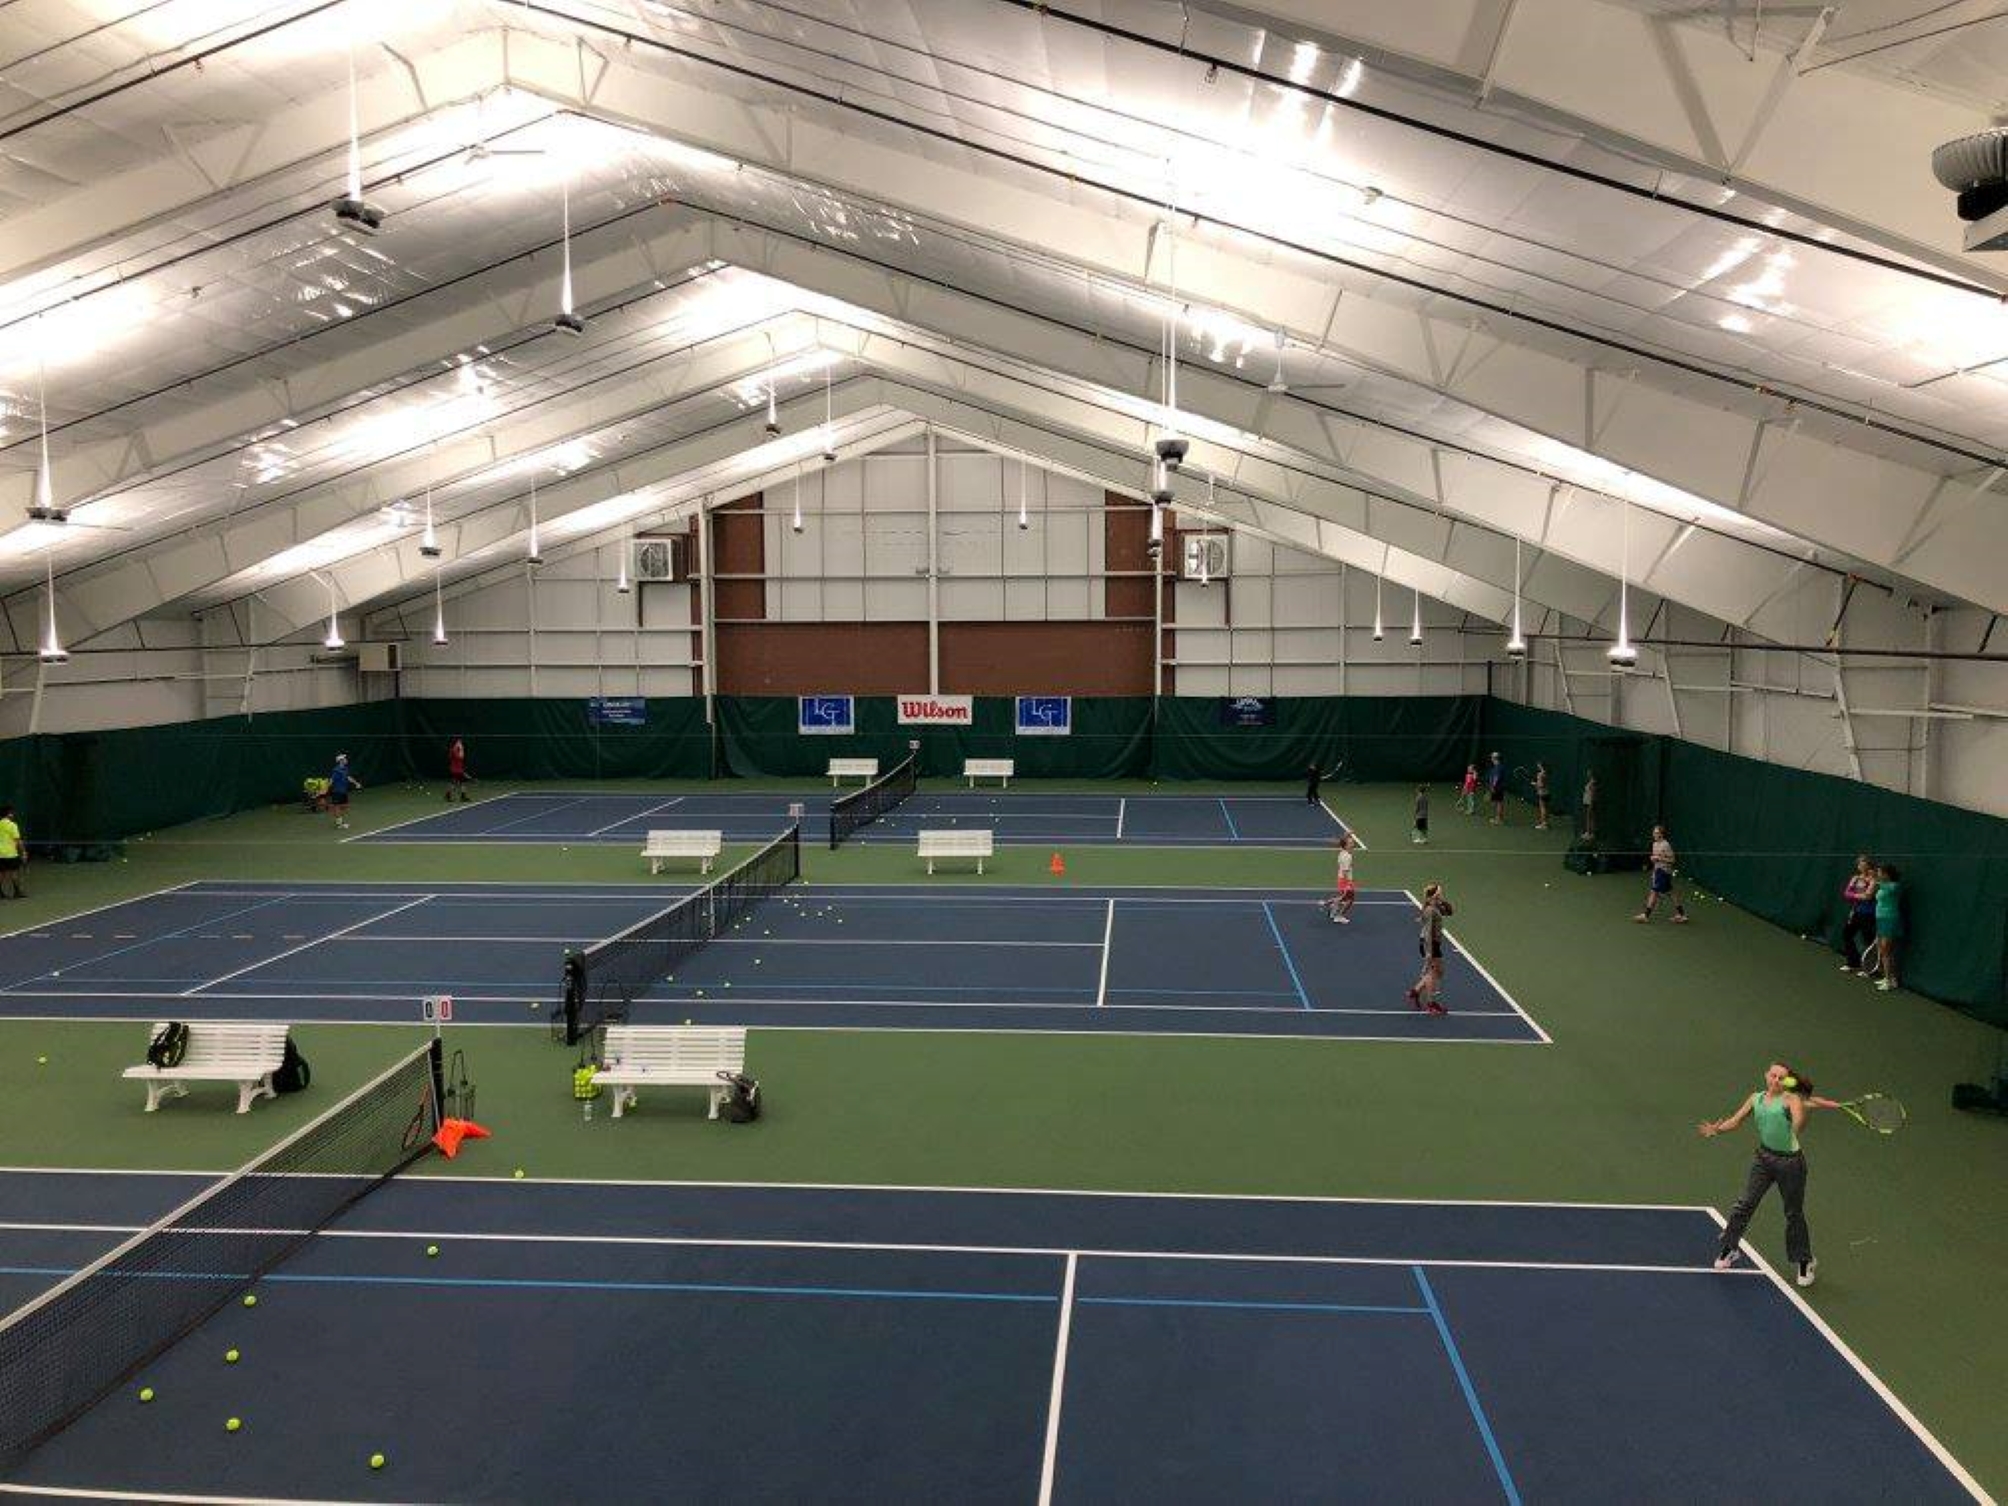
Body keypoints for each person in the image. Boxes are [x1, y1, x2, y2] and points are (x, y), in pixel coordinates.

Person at [1699, 1062, 1839, 1287]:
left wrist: (1801, 1114)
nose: (1776, 1080)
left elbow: (1798, 1126)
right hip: (1763, 1159)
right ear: (1766, 1075)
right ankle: (1730, 1248)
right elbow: (1736, 1120)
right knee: (1744, 1204)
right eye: (1773, 1075)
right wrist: (1717, 1129)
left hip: (1791, 1164)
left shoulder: (1791, 1100)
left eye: (1781, 1078)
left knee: (1793, 1213)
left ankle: (1805, 1261)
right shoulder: (1755, 1098)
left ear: (1787, 1082)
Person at [1406, 882, 1452, 1015]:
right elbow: (1428, 932)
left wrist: (1442, 902)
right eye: (1440, 893)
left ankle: (1415, 992)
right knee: (1435, 972)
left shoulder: (1435, 906)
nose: (1441, 894)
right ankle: (1431, 1004)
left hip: (1433, 943)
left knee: (1437, 971)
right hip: (1430, 943)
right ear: (1435, 894)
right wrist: (1429, 952)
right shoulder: (1430, 910)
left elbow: (1449, 912)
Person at [1635, 824, 1688, 923]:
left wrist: (1659, 858)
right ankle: (1682, 915)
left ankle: (1646, 915)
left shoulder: (1666, 845)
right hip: (1658, 871)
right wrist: (1654, 870)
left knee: (1654, 892)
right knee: (1671, 893)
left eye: (1656, 833)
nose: (1654, 834)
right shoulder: (1654, 844)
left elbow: (1672, 860)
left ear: (1661, 834)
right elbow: (1656, 860)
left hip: (1664, 872)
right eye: (1653, 832)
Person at [1838, 855, 1877, 974]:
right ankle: (1853, 963)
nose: (1860, 866)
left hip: (1869, 913)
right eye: (1859, 864)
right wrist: (1859, 897)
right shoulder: (1855, 878)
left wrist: (1855, 895)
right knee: (1847, 934)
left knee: (1868, 940)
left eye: (1863, 863)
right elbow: (1846, 893)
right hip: (1856, 911)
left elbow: (1868, 897)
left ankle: (1870, 969)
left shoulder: (1874, 879)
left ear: (1869, 865)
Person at [1873, 863, 1903, 992]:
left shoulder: (1894, 886)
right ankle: (1891, 978)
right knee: (1884, 951)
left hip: (1890, 920)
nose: (1878, 874)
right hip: (1880, 919)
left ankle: (1888, 981)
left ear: (1887, 874)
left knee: (1886, 951)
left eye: (1880, 872)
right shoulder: (1882, 885)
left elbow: (1883, 886)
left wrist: (1874, 879)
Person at [1320, 833, 1358, 924]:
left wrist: (1346, 835)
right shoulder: (1347, 857)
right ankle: (1338, 916)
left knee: (1344, 898)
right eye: (1351, 843)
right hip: (1345, 881)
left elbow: (1342, 842)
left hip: (1341, 879)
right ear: (1346, 845)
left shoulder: (1342, 851)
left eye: (1352, 842)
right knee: (1349, 900)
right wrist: (1349, 884)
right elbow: (1345, 872)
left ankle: (1330, 905)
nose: (1353, 844)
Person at [326, 753, 362, 833]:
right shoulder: (336, 770)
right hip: (337, 791)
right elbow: (332, 780)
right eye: (345, 759)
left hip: (344, 791)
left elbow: (348, 777)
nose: (346, 760)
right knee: (337, 807)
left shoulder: (345, 768)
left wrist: (356, 783)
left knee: (345, 807)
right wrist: (325, 788)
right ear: (341, 761)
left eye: (345, 758)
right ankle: (339, 823)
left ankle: (338, 819)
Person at [0, 805, 28, 900]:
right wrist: (23, 852)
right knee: (14, 872)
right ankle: (17, 892)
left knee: (1, 873)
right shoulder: (12, 825)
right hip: (11, 854)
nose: (13, 814)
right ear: (9, 814)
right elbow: (18, 840)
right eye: (12, 812)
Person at [1486, 751, 1506, 825]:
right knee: (1498, 803)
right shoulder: (1496, 766)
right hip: (1497, 788)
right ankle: (1497, 818)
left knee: (1499, 803)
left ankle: (1498, 819)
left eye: (1492, 757)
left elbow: (1496, 778)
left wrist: (1493, 787)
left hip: (1497, 788)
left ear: (1495, 758)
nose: (1491, 758)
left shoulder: (1498, 767)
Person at [1580, 772, 1597, 843]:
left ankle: (1589, 833)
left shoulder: (1592, 783)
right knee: (1590, 818)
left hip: (1590, 803)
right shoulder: (1590, 782)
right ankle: (1590, 833)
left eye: (1589, 772)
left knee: (1589, 818)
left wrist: (1591, 804)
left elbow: (1593, 794)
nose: (1587, 774)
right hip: (1587, 802)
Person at [1533, 763, 1550, 830]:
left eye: (1539, 765)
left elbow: (1541, 785)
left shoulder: (1540, 774)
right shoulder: (1546, 773)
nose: (1537, 766)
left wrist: (1535, 784)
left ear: (1541, 766)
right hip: (1547, 793)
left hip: (1542, 793)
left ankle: (1543, 824)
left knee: (1542, 809)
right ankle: (1545, 823)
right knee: (1546, 808)